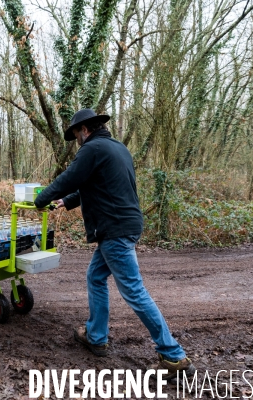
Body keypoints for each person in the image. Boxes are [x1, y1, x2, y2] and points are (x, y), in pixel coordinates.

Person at [34, 108, 195, 378]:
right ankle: (96, 336)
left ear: (84, 130)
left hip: (115, 229)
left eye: (75, 135)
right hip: (125, 224)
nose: (77, 141)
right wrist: (66, 200)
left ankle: (173, 356)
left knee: (134, 291)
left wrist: (42, 198)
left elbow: (71, 178)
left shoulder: (92, 149)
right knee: (96, 276)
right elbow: (97, 185)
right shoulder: (116, 148)